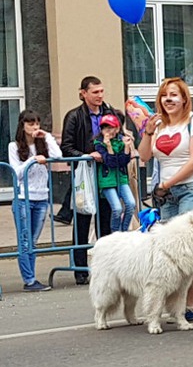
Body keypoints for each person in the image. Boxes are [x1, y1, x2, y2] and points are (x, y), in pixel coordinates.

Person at [138, 77, 193, 324]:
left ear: (184, 98)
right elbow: (144, 156)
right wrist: (148, 132)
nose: (168, 99)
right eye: (164, 95)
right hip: (167, 195)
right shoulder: (160, 125)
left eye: (174, 94)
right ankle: (188, 305)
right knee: (175, 254)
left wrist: (166, 184)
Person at [59, 76, 123, 284]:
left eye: (102, 91)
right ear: (83, 93)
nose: (99, 96)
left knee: (105, 221)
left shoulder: (110, 112)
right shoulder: (75, 116)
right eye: (95, 92)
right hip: (84, 176)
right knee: (82, 221)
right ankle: (80, 270)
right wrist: (86, 155)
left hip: (106, 174)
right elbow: (66, 147)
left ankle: (104, 269)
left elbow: (119, 137)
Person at [9, 110, 62, 291]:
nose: (35, 127)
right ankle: (29, 280)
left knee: (33, 240)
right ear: (22, 125)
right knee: (25, 241)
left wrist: (47, 136)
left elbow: (58, 156)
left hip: (41, 198)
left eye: (37, 123)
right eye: (30, 124)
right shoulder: (13, 146)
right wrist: (32, 160)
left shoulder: (43, 143)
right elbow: (16, 173)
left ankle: (31, 277)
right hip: (24, 198)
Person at [93, 114, 136, 233]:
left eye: (110, 127)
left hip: (121, 178)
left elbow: (123, 161)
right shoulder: (99, 143)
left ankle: (124, 231)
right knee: (117, 208)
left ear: (117, 129)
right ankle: (115, 233)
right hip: (107, 180)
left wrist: (127, 147)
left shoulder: (121, 140)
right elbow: (110, 162)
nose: (107, 131)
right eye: (104, 128)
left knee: (131, 204)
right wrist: (108, 146)